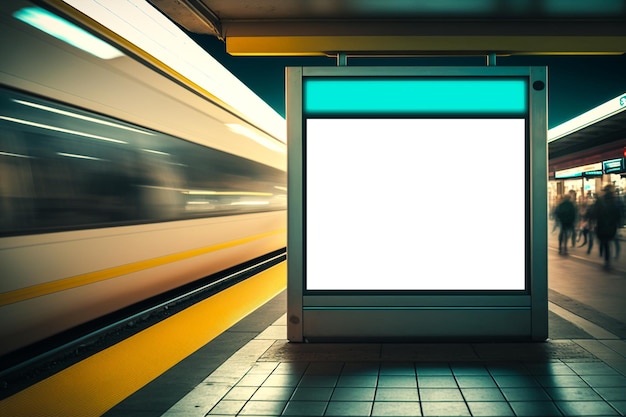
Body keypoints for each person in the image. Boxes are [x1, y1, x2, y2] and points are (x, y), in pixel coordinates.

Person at [594, 184, 623, 270]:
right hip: (612, 226)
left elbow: (595, 213)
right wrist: (619, 224)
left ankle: (607, 260)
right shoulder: (615, 201)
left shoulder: (600, 200)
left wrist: (594, 222)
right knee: (609, 241)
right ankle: (609, 260)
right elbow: (618, 213)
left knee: (605, 242)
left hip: (602, 225)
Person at [554, 191, 577, 256]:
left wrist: (559, 219)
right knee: (566, 235)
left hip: (562, 221)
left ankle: (560, 247)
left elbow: (557, 212)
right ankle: (565, 248)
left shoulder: (561, 204)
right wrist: (572, 221)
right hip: (568, 222)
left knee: (562, 233)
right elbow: (573, 214)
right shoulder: (571, 205)